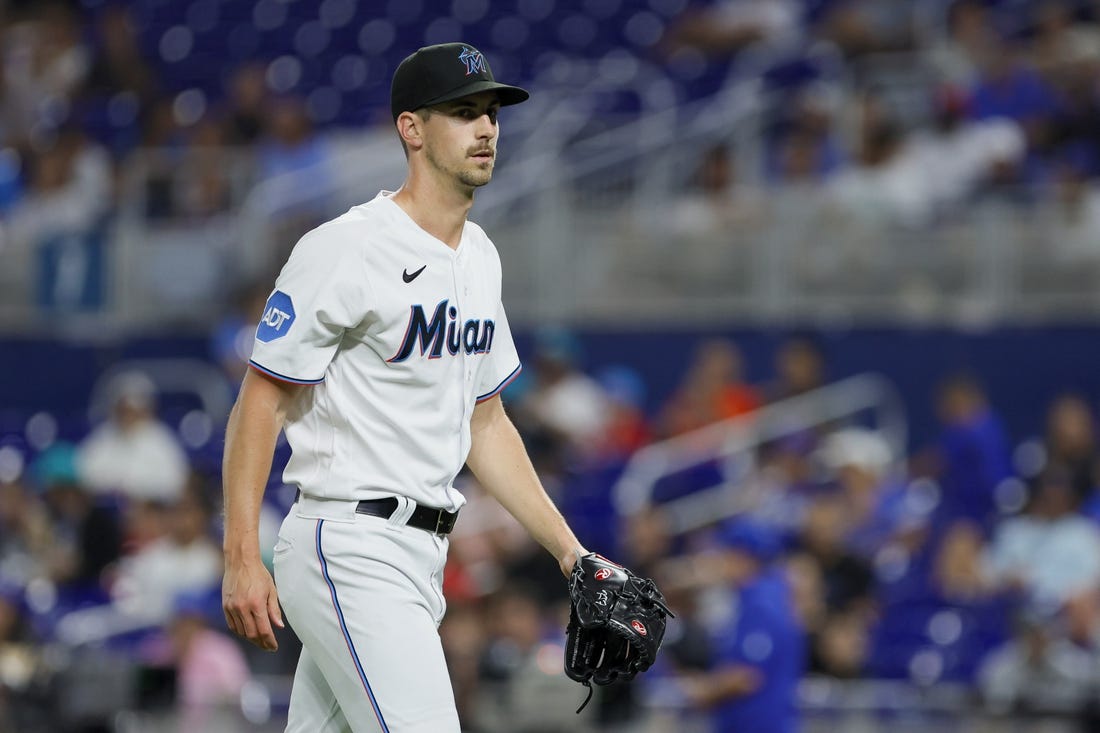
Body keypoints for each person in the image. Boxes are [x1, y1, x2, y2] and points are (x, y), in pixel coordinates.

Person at [220, 43, 592, 733]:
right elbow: (259, 400)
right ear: (411, 129)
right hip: (350, 541)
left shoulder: (481, 257)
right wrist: (243, 554)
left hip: (422, 556)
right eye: (462, 112)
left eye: (491, 112)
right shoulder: (347, 246)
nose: (486, 128)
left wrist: (571, 552)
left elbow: (487, 424)